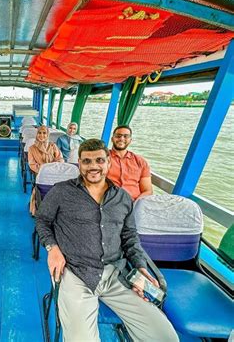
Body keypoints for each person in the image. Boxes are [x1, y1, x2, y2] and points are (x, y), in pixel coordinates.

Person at [35, 139, 178, 342]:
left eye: (99, 160)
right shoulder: (62, 192)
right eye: (87, 161)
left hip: (117, 275)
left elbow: (130, 237)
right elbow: (42, 220)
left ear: (108, 163)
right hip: (76, 272)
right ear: (79, 164)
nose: (93, 166)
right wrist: (53, 248)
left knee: (164, 337)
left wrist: (140, 267)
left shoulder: (123, 198)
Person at [107, 125, 153, 200]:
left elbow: (147, 190)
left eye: (126, 136)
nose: (121, 139)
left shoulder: (140, 161)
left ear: (130, 140)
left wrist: (135, 204)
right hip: (109, 201)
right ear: (112, 139)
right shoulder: (103, 159)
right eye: (118, 136)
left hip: (135, 202)